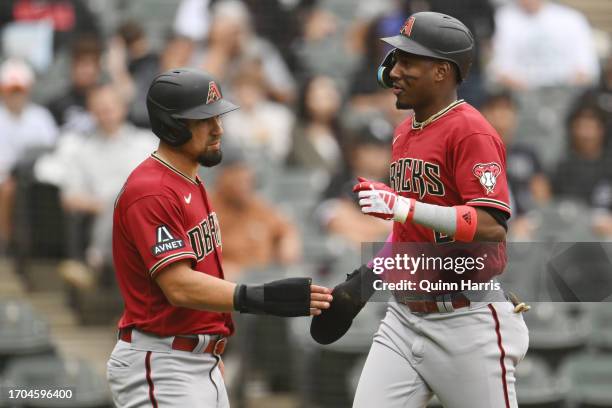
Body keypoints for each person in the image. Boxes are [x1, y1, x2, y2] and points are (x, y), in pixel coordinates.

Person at [311, 12, 529, 407]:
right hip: (404, 316)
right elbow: (410, 234)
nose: (394, 70)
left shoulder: (471, 130)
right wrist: (365, 281)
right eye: (396, 58)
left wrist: (405, 207)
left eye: (408, 61)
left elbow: (492, 224)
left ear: (442, 71)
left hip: (466, 320)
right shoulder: (404, 132)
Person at [106, 68, 332, 407]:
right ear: (173, 125)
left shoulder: (190, 181)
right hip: (163, 362)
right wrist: (260, 297)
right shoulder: (151, 190)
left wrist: (210, 342)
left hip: (196, 359)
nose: (218, 129)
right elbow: (179, 286)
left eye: (218, 117)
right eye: (204, 120)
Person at [210, 151, 302, 281]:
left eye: (247, 181)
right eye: (237, 180)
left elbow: (286, 230)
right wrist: (215, 269)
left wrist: (287, 242)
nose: (243, 186)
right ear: (222, 177)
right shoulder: (206, 207)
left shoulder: (259, 207)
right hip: (226, 286)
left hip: (262, 281)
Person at [0, 58, 58, 247]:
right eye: (11, 91)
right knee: (8, 187)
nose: (16, 96)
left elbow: (53, 151)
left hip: (35, 177)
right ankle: (5, 242)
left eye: (20, 91)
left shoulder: (41, 117)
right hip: (6, 179)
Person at [489, 0, 599, 91]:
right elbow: (498, 69)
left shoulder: (572, 19)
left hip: (566, 97)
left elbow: (587, 69)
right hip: (519, 97)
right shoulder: (502, 18)